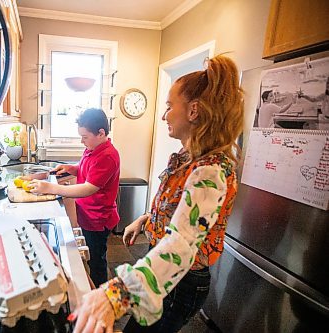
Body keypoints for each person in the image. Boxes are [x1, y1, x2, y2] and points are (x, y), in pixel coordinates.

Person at [68, 55, 244, 333]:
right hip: (164, 269)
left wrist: (115, 296)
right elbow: (184, 212)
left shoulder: (211, 172)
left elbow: (181, 246)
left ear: (194, 111)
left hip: (181, 280)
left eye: (169, 106)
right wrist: (147, 219)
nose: (164, 115)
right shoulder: (189, 158)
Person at [30, 108, 120, 288]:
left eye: (85, 136)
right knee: (92, 257)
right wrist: (72, 168)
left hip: (98, 219)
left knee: (97, 261)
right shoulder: (93, 148)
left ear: (101, 133)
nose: (82, 140)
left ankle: (101, 295)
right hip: (88, 215)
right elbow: (86, 168)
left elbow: (89, 188)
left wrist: (51, 187)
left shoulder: (108, 156)